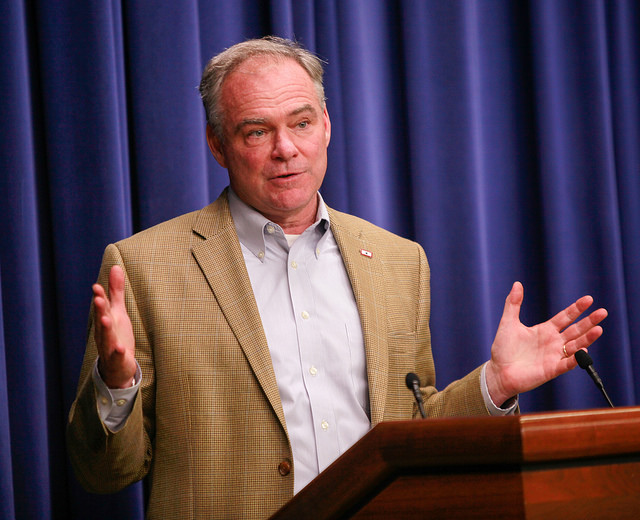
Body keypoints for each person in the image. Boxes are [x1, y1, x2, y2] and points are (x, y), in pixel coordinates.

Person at [67, 36, 607, 519]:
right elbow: (105, 474)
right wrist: (117, 387)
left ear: (326, 125)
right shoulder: (143, 267)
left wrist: (496, 383)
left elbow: (412, 433)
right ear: (217, 144)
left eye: (301, 123)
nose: (286, 149)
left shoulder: (399, 262)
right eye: (257, 131)